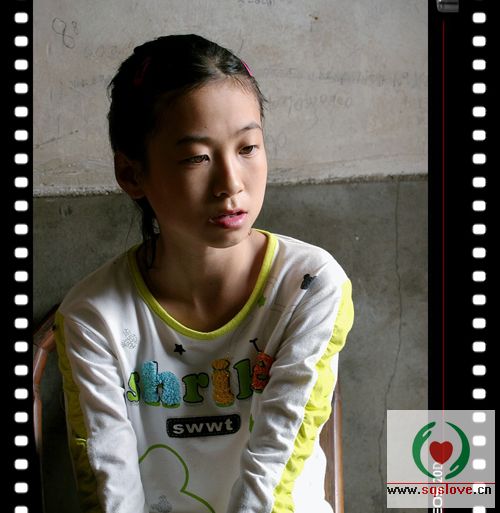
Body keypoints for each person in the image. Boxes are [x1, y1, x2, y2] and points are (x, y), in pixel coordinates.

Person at [54, 34, 354, 513]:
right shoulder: (94, 316)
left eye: (248, 147)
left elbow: (274, 476)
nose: (231, 183)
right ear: (131, 173)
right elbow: (111, 490)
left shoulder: (308, 285)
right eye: (197, 157)